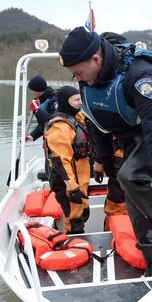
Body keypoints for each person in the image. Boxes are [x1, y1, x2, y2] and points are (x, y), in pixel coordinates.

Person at [58, 26, 152, 276]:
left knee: (131, 176)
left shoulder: (139, 75)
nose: (79, 80)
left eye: (80, 72)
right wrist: (104, 163)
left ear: (96, 59)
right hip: (128, 134)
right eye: (74, 76)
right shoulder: (88, 81)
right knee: (131, 198)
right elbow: (96, 124)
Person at [44, 86, 92, 234]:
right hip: (69, 183)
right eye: (76, 100)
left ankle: (79, 243)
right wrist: (71, 188)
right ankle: (73, 246)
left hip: (80, 177)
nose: (80, 103)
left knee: (82, 213)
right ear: (66, 101)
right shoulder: (60, 126)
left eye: (80, 99)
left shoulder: (76, 118)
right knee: (73, 218)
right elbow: (60, 160)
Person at [24, 75, 58, 143]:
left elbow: (53, 122)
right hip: (49, 139)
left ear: (37, 90)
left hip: (58, 139)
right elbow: (43, 125)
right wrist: (32, 136)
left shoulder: (54, 100)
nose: (31, 92)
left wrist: (37, 111)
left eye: (32, 90)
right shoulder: (40, 101)